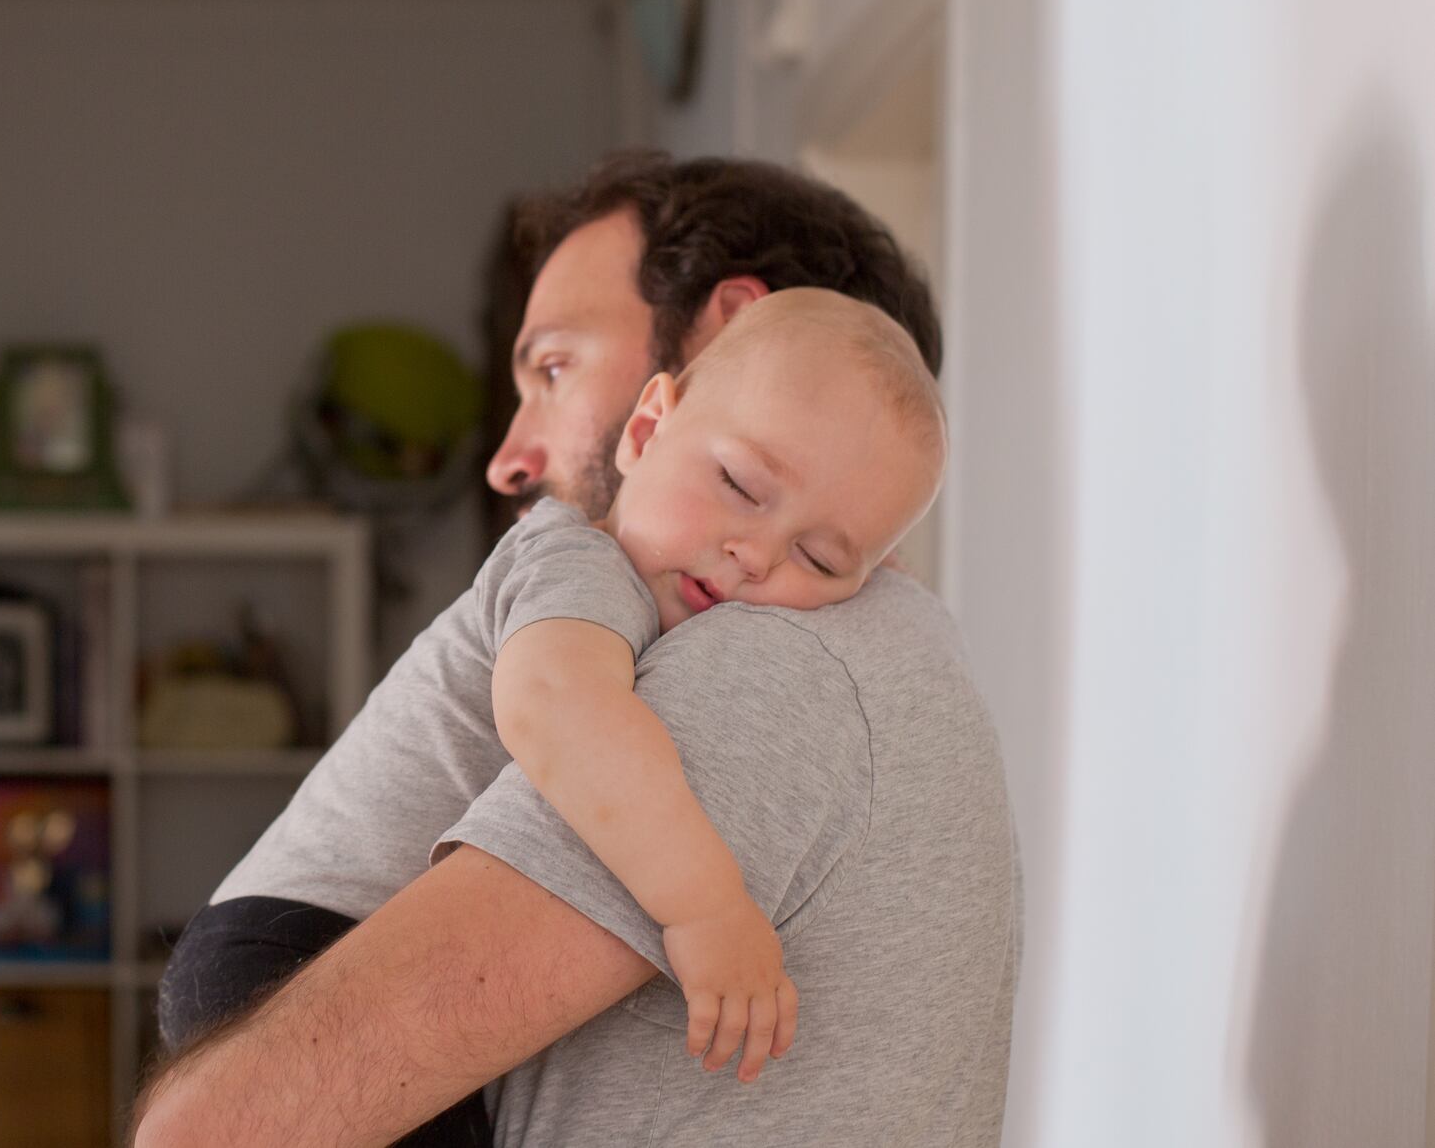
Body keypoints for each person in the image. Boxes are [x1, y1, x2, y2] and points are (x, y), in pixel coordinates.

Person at [136, 152, 1019, 1148]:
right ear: (659, 419)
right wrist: (703, 908)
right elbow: (559, 708)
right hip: (295, 941)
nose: (509, 458)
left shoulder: (776, 665)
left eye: (555, 367)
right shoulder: (578, 562)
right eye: (742, 488)